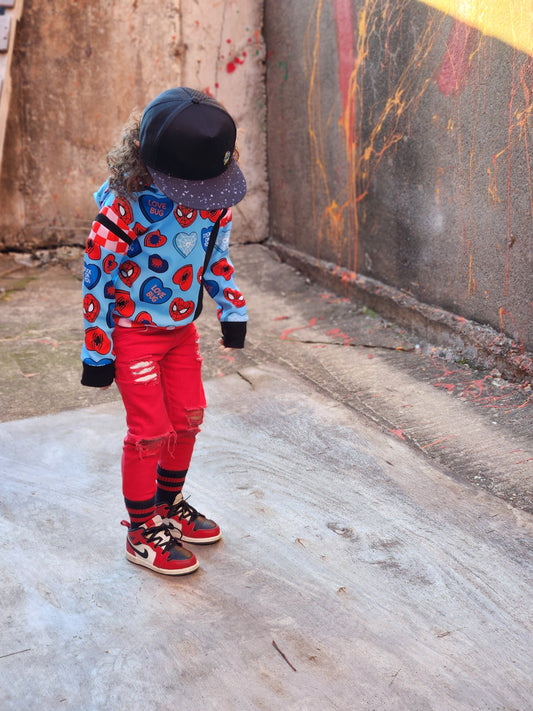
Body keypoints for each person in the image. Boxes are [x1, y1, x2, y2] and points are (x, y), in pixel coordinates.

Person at [81, 87, 248, 576]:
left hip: (181, 331)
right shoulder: (122, 208)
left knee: (190, 416)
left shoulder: (214, 197)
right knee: (149, 432)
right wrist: (98, 353)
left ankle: (166, 506)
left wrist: (231, 309)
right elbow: (98, 282)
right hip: (133, 333)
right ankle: (140, 532)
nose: (201, 199)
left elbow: (216, 255)